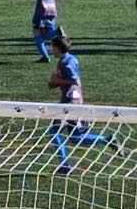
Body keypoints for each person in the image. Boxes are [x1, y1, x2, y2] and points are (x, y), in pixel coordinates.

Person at [45, 37, 116, 174]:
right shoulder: (71, 58)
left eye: (52, 47)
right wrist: (55, 83)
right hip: (74, 100)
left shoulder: (66, 63)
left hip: (70, 102)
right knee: (76, 137)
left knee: (55, 132)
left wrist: (56, 80)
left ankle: (65, 165)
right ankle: (106, 139)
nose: (51, 49)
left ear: (58, 48)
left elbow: (73, 80)